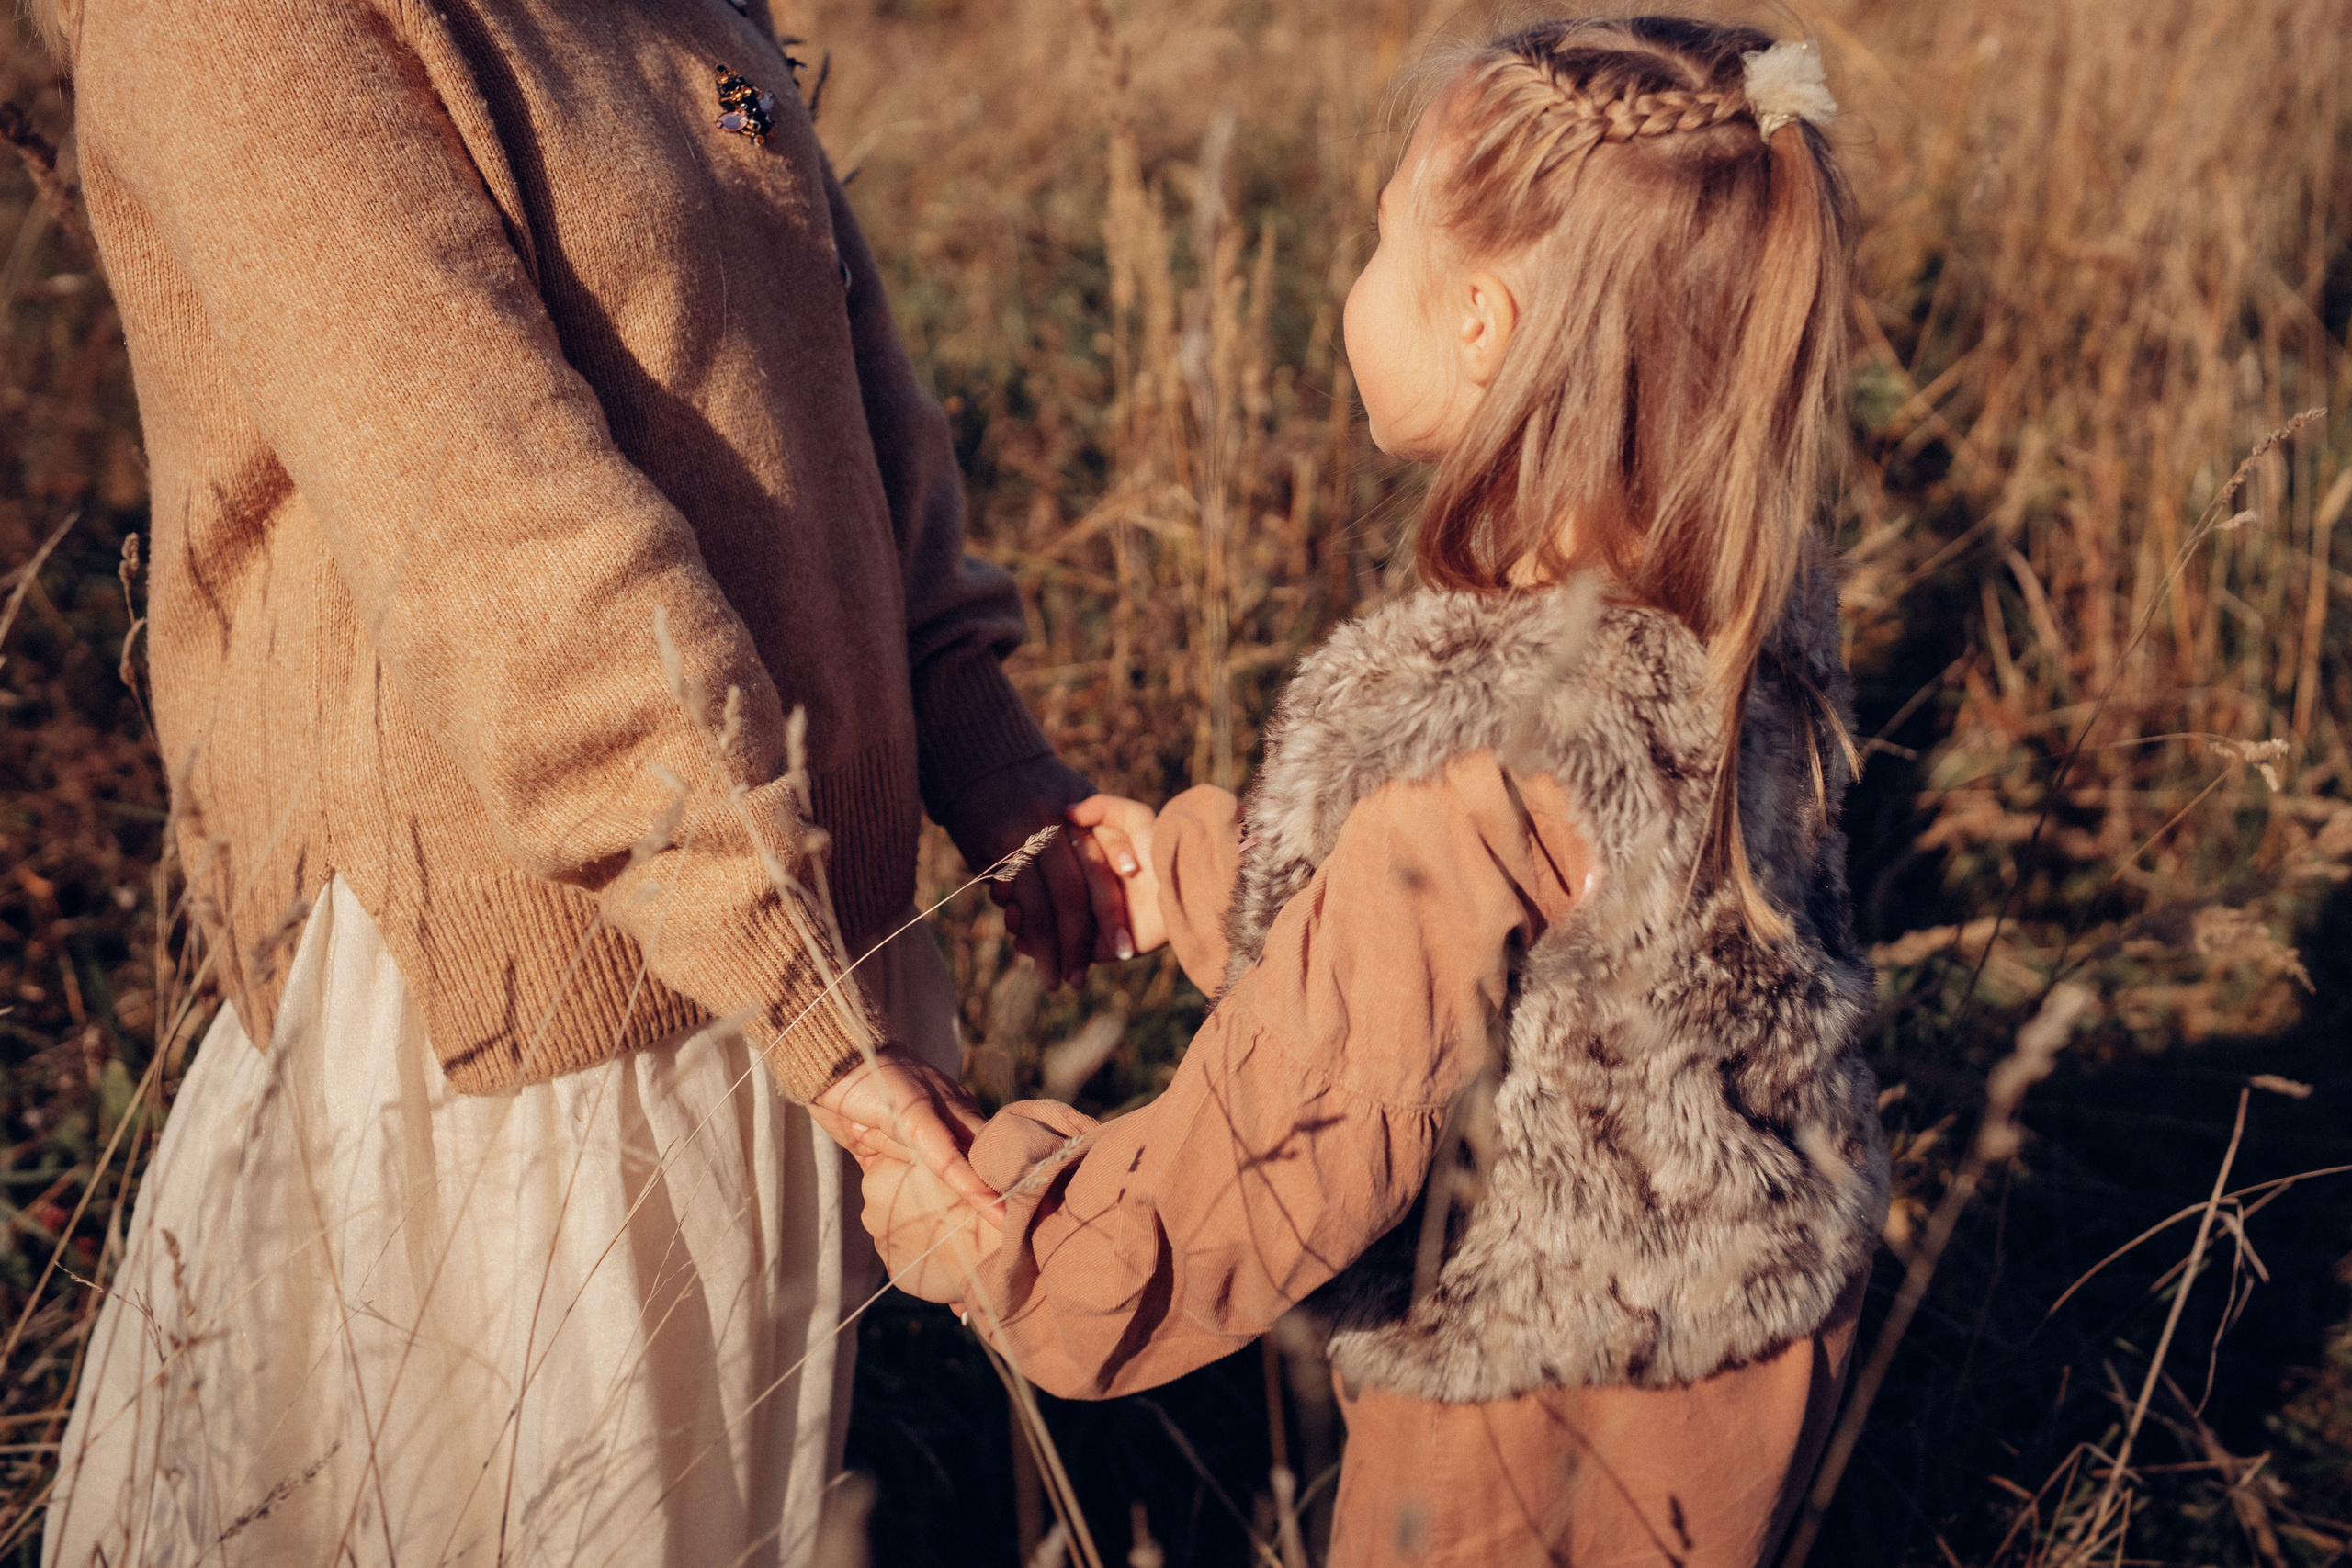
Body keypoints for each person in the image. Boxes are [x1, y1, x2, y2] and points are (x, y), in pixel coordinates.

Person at [35, 0, 1111, 1562]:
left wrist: (978, 738)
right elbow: (483, 504)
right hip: (529, 1017)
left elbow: (834, 354)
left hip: (769, 950)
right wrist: (791, 970)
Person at [858, 17, 1890, 1567]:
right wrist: (1199, 870)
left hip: (1524, 1421)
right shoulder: (1733, 621)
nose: (1351, 280)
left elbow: (1297, 1134)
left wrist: (1013, 1236)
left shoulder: (1479, 746)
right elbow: (1489, 964)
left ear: (1481, 321)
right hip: (1749, 1349)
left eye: (1376, 237)